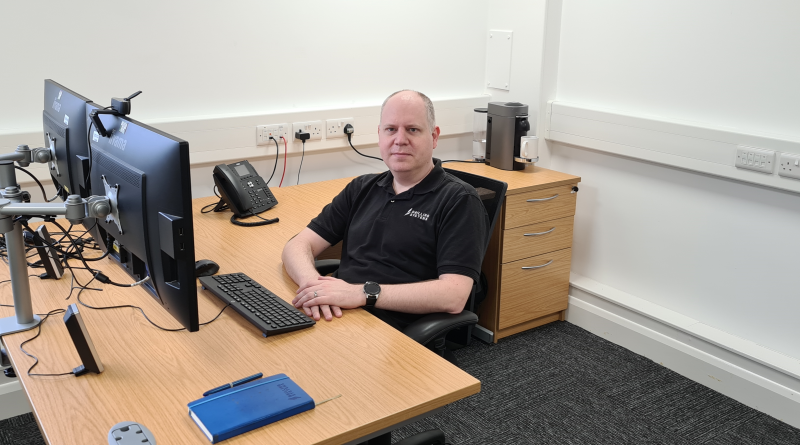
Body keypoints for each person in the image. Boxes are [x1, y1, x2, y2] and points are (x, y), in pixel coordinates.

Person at [282, 90, 488, 330]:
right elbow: (297, 245)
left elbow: (453, 296)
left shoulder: (458, 200)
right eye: (391, 129)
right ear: (380, 135)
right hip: (336, 313)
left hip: (391, 332)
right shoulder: (362, 188)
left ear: (433, 137)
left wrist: (362, 294)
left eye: (413, 129)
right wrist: (312, 286)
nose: (400, 140)